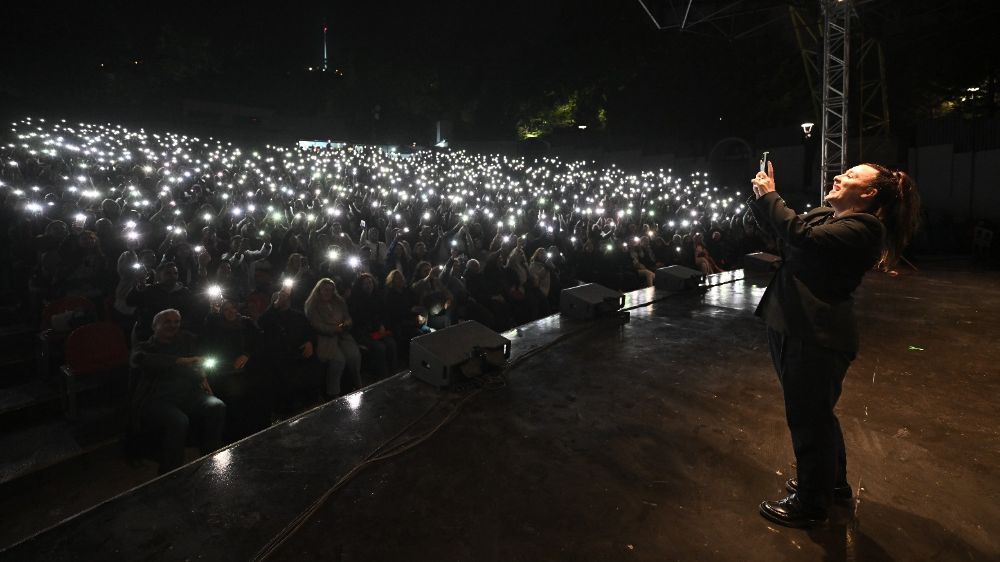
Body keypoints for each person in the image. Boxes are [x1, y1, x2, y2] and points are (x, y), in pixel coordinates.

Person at [749, 161, 920, 527]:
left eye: (851, 176)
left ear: (870, 192)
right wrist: (762, 197)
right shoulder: (830, 214)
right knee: (817, 414)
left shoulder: (866, 227)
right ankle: (833, 485)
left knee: (808, 418)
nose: (839, 176)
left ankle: (811, 503)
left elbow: (800, 236)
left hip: (816, 334)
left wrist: (772, 198)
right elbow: (786, 230)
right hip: (797, 327)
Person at [129, 309, 226, 474]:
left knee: (217, 405)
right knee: (179, 421)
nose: (173, 325)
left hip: (189, 394)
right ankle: (171, 472)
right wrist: (183, 361)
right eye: (167, 321)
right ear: (155, 325)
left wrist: (203, 379)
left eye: (176, 322)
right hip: (158, 399)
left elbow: (203, 349)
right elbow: (141, 360)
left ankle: (210, 456)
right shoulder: (145, 347)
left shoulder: (185, 340)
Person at [304, 278, 363, 397]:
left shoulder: (338, 302)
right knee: (338, 360)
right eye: (325, 290)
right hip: (326, 338)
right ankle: (333, 392)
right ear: (319, 290)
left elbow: (347, 317)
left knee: (354, 356)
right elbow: (316, 324)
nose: (328, 293)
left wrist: (347, 323)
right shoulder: (313, 305)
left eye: (331, 290)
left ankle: (357, 383)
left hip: (342, 335)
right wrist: (333, 329)